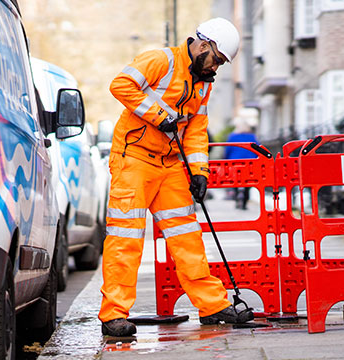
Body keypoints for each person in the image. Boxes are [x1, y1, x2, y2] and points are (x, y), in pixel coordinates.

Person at [99, 18, 252, 337]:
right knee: (125, 239)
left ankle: (212, 306)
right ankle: (114, 314)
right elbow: (121, 84)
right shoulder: (161, 60)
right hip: (133, 157)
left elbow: (196, 129)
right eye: (217, 60)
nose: (216, 68)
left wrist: (199, 173)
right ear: (204, 46)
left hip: (169, 165)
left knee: (188, 238)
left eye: (221, 64)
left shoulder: (204, 83)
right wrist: (159, 116)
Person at [224, 120, 258, 210]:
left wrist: (226, 160)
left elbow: (228, 150)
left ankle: (236, 198)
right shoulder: (252, 137)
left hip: (235, 162)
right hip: (249, 162)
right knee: (248, 182)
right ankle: (244, 202)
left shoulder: (232, 137)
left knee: (236, 180)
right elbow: (257, 149)